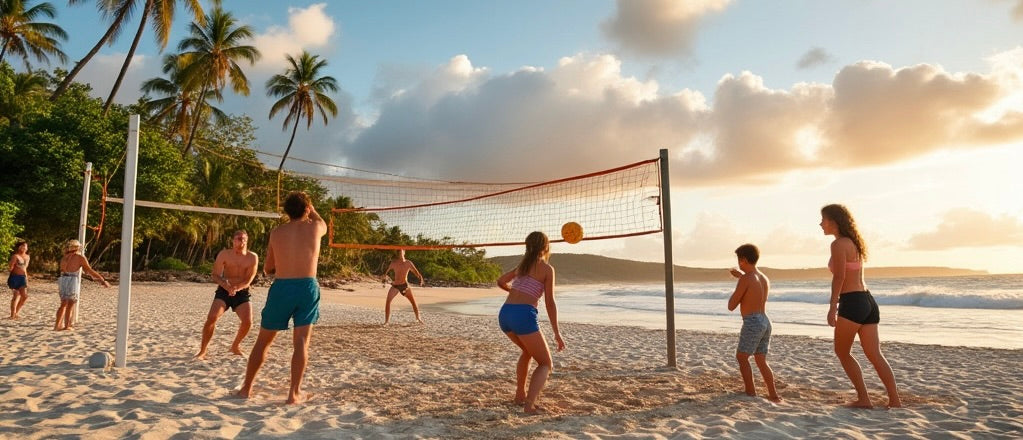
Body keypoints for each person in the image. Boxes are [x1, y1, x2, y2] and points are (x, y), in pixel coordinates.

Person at [237, 192, 326, 405]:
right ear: (307, 209)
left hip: (282, 287)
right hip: (307, 286)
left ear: (286, 212)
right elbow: (320, 220)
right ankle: (293, 394)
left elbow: (268, 267)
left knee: (263, 341)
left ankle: (246, 389)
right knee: (301, 342)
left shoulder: (276, 233)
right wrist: (311, 209)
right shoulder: (315, 227)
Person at [820, 203, 901, 409]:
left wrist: (832, 308)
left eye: (824, 220)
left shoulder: (838, 245)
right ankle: (895, 400)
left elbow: (839, 277)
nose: (821, 224)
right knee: (875, 354)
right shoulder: (855, 242)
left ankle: (864, 399)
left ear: (834, 221)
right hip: (868, 301)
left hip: (852, 302)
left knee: (842, 352)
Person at [496, 231, 565, 414]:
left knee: (527, 351)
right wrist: (557, 333)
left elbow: (501, 281)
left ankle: (520, 395)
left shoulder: (522, 266)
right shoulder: (546, 269)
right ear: (545, 247)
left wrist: (512, 291)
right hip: (523, 315)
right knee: (545, 364)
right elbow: (550, 302)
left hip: (505, 314)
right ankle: (529, 405)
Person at [727, 243, 780, 402]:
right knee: (760, 359)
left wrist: (740, 281)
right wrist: (742, 277)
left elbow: (731, 305)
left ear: (743, 260)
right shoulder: (763, 277)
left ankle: (750, 391)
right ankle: (773, 394)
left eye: (739, 260)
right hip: (765, 320)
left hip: (752, 321)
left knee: (742, 357)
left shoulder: (746, 279)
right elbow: (753, 288)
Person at [195, 230, 259, 360]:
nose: (241, 241)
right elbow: (215, 275)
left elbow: (249, 279)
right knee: (212, 317)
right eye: (238, 238)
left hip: (241, 291)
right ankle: (203, 350)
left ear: (247, 240)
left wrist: (236, 288)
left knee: (248, 322)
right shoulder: (224, 254)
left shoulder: (252, 257)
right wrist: (227, 286)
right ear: (233, 240)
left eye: (244, 239)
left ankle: (235, 346)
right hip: (224, 290)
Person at [55, 239, 110, 330]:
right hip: (72, 279)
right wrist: (101, 280)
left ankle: (57, 325)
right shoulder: (80, 258)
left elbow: (63, 269)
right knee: (70, 303)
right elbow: (89, 270)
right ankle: (67, 325)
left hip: (63, 279)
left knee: (63, 303)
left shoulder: (64, 257)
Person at [381, 248, 425, 324]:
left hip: (405, 286)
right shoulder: (394, 263)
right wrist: (384, 279)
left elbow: (416, 273)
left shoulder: (408, 263)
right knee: (388, 302)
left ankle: (418, 318)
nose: (400, 253)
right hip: (395, 286)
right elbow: (385, 272)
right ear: (398, 254)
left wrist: (420, 279)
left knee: (413, 302)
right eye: (399, 252)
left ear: (404, 252)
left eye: (402, 251)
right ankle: (386, 321)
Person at [7, 240, 30, 320]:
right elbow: (10, 267)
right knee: (16, 296)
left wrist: (26, 278)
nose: (24, 248)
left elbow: (25, 269)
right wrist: (11, 266)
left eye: (25, 246)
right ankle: (12, 314)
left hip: (23, 278)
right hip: (14, 277)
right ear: (19, 247)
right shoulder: (15, 256)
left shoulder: (27, 257)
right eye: (22, 246)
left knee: (25, 296)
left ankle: (16, 312)